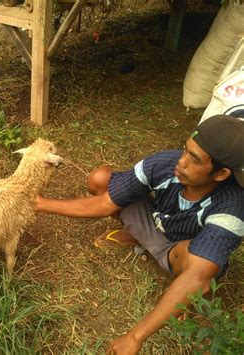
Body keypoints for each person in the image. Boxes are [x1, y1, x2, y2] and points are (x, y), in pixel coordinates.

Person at [36, 114, 244, 354]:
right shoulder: (165, 164)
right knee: (100, 180)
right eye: (185, 150)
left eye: (194, 159)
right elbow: (104, 203)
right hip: (154, 223)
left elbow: (199, 276)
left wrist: (135, 337)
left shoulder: (232, 207)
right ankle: (138, 237)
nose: (182, 162)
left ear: (221, 174)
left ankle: (178, 289)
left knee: (200, 265)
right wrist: (41, 204)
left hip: (179, 251)